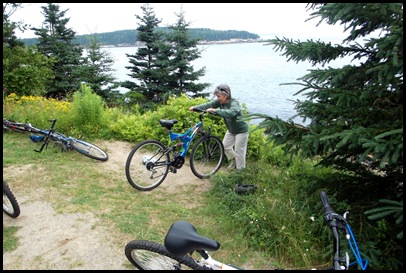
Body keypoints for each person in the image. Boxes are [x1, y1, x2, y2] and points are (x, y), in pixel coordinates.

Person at [189, 84, 249, 170]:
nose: (218, 98)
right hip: (231, 130)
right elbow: (209, 104)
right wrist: (195, 108)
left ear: (226, 95)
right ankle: (234, 161)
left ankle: (240, 172)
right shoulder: (220, 102)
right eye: (217, 96)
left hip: (241, 131)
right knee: (225, 147)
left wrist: (216, 111)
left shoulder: (234, 103)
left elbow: (231, 113)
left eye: (219, 96)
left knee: (239, 152)